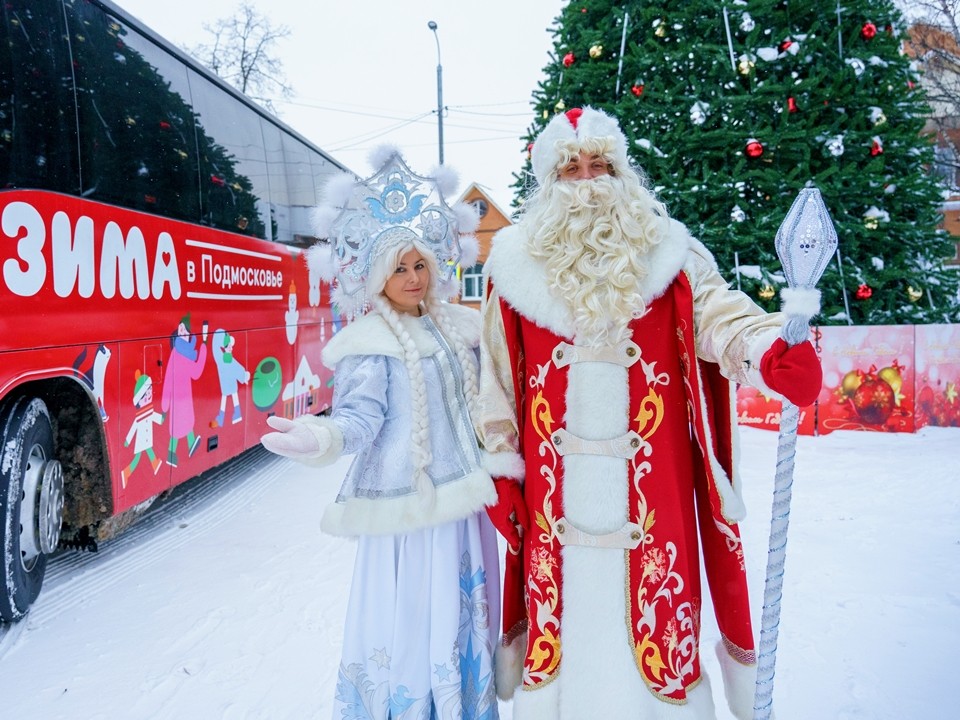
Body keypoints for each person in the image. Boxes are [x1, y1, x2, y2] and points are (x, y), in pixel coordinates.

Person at [475, 107, 822, 719]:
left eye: (600, 164)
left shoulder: (672, 255)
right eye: (572, 168)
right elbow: (496, 383)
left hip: (651, 503)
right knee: (564, 642)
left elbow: (723, 317)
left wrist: (768, 350)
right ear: (549, 183)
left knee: (655, 641)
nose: (588, 180)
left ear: (622, 170)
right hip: (554, 509)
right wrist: (502, 468)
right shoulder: (513, 270)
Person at [260, 148, 501, 720]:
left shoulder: (461, 327)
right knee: (413, 615)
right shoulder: (368, 343)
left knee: (458, 611)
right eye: (400, 268)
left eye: (420, 266)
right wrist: (322, 439)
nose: (413, 279)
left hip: (461, 510)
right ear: (376, 276)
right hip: (407, 516)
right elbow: (360, 420)